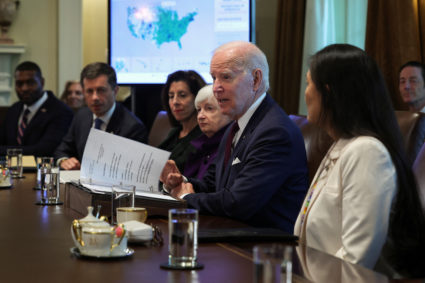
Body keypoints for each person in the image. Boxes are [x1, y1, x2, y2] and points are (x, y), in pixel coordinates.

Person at [293, 44, 425, 277]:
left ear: (329, 92)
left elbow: (356, 259)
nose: (305, 93)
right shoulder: (341, 144)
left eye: (308, 83)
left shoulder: (367, 152)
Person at [161, 41, 309, 232]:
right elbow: (212, 185)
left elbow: (238, 203)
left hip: (263, 248)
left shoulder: (274, 131)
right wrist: (181, 182)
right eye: (213, 78)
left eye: (226, 77)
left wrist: (186, 198)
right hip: (233, 233)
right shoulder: (237, 125)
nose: (216, 88)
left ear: (256, 79)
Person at [54, 62, 148, 170]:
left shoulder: (133, 128)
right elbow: (62, 149)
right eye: (89, 91)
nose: (95, 97)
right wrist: (64, 160)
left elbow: (133, 171)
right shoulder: (82, 116)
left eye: (101, 90)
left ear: (115, 90)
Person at [0, 61, 73, 156]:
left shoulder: (61, 111)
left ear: (42, 82)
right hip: (11, 169)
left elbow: (44, 150)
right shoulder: (14, 109)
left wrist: (5, 151)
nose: (24, 88)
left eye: (30, 83)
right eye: (19, 83)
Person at [177, 84, 231, 179]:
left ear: (228, 111)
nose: (200, 116)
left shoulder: (231, 145)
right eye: (198, 110)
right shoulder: (200, 145)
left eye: (209, 108)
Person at [158, 70, 206, 173]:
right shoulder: (174, 133)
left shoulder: (204, 137)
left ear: (197, 98)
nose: (175, 102)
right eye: (171, 96)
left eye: (182, 95)